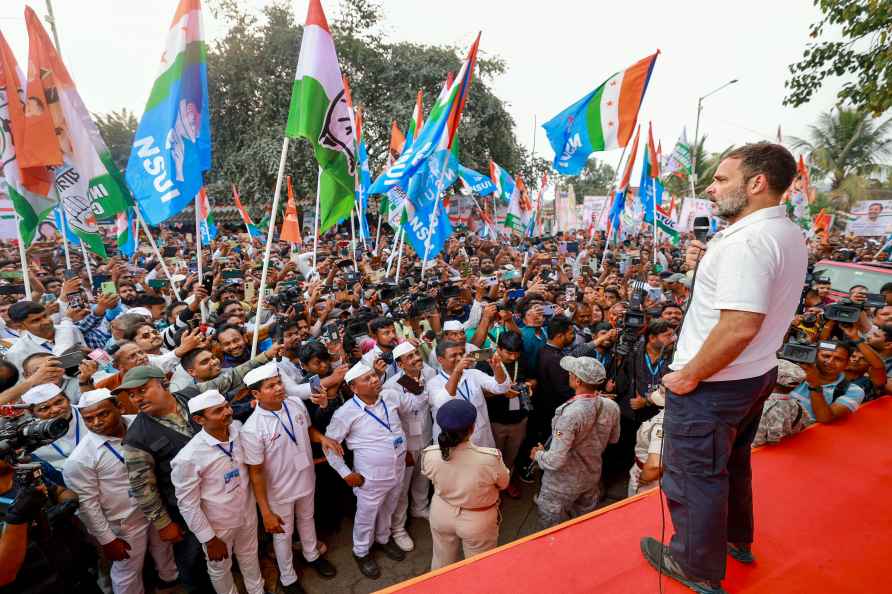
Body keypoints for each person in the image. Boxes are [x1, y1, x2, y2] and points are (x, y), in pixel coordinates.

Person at [640, 143, 808, 594]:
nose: (711, 189)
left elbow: (739, 325)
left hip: (714, 385)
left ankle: (695, 566)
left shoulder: (748, 242)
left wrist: (690, 374)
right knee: (732, 466)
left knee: (695, 476)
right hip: (753, 376)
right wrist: (703, 267)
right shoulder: (782, 232)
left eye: (721, 179)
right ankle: (737, 540)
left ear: (756, 183)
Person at [63, 388, 179, 594]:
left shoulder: (141, 424)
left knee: (165, 549)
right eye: (88, 419)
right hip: (125, 522)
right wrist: (107, 540)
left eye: (102, 414)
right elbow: (87, 505)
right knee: (128, 569)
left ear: (120, 407)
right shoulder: (81, 458)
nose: (96, 422)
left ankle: (169, 583)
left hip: (157, 506)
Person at [240, 362, 339, 593]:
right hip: (280, 491)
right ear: (256, 394)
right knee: (283, 535)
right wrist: (265, 511)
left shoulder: (294, 403)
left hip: (306, 477)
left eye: (279, 382)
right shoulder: (252, 429)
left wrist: (322, 439)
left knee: (307, 518)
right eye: (270, 386)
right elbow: (255, 472)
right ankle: (288, 578)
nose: (278, 388)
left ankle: (312, 554)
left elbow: (307, 430)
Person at [119, 365, 215, 593]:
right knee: (194, 562)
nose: (136, 399)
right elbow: (143, 488)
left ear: (164, 383)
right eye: (131, 395)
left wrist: (266, 356)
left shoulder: (191, 397)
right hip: (184, 511)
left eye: (142, 390)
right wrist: (163, 523)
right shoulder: (136, 438)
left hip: (221, 494)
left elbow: (231, 378)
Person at [323, 362, 413, 579]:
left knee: (389, 507)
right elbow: (329, 446)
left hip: (397, 468)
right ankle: (361, 551)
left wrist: (405, 450)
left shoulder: (389, 398)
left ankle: (383, 539)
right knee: (367, 515)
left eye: (374, 375)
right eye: (367, 379)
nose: (374, 380)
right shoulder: (346, 413)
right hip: (370, 476)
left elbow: (397, 428)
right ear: (354, 388)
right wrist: (346, 473)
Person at [170, 391, 265, 594]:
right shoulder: (188, 457)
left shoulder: (237, 431)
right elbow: (188, 504)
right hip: (218, 526)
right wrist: (209, 539)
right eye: (218, 411)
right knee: (220, 568)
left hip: (247, 514)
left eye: (226, 406)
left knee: (250, 555)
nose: (228, 412)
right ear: (199, 419)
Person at [530, 356, 619, 528]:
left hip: (561, 485)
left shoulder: (570, 414)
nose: (568, 375)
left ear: (577, 380)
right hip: (591, 477)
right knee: (582, 526)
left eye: (570, 373)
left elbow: (555, 461)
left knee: (551, 530)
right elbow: (613, 439)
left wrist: (538, 455)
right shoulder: (611, 406)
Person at [421, 399, 509, 570]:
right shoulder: (489, 458)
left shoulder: (430, 454)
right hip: (477, 518)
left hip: (441, 512)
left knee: (441, 563)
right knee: (479, 569)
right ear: (472, 428)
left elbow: (430, 476)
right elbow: (503, 484)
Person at [381, 342, 437, 552]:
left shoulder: (429, 374)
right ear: (400, 364)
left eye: (416, 354)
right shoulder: (391, 387)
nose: (416, 358)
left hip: (426, 436)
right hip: (406, 447)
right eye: (410, 357)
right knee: (401, 489)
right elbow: (391, 424)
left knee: (423, 477)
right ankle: (398, 529)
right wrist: (401, 451)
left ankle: (420, 508)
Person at [428, 339, 510, 449]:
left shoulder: (473, 374)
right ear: (440, 360)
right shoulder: (433, 383)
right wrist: (457, 371)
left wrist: (497, 368)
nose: (459, 358)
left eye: (461, 354)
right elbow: (443, 402)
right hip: (453, 443)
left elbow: (502, 388)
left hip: (481, 437)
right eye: (453, 355)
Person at [792, 342, 865, 423]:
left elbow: (825, 418)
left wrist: (814, 384)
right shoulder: (794, 371)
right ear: (815, 356)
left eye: (838, 359)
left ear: (847, 364)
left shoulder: (854, 391)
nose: (830, 361)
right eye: (826, 356)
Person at [753, 360, 809, 447]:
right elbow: (805, 423)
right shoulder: (796, 404)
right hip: (787, 447)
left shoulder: (762, 407)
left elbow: (757, 441)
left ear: (770, 380)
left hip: (762, 452)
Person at [627, 387, 666, 497]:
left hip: (651, 479)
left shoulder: (662, 423)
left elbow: (655, 465)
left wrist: (643, 479)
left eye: (663, 391)